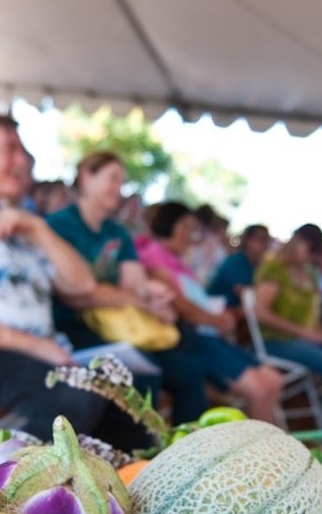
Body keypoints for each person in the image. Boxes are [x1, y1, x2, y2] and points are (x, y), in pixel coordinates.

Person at [0, 114, 138, 445]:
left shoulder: (19, 220)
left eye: (23, 152)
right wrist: (32, 344)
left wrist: (39, 229)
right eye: (10, 149)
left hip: (39, 351)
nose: (22, 160)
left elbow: (81, 284)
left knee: (127, 404)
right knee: (72, 401)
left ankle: (111, 491)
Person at [46, 152, 209, 426]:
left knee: (189, 373)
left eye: (121, 181)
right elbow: (75, 294)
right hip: (71, 327)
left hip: (119, 326)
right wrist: (139, 300)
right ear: (86, 177)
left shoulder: (118, 232)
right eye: (112, 179)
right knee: (141, 375)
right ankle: (131, 460)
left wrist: (155, 296)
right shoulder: (59, 226)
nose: (118, 188)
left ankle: (186, 454)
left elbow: (135, 282)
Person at [135, 202, 283, 423]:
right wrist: (217, 320)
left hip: (207, 335)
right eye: (186, 227)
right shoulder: (155, 257)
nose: (191, 235)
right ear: (171, 226)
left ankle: (271, 448)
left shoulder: (176, 260)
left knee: (274, 380)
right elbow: (181, 307)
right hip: (192, 339)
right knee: (260, 388)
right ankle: (264, 452)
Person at [253, 225, 322, 381]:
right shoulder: (275, 269)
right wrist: (304, 332)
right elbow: (262, 313)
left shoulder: (310, 274)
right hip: (275, 340)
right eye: (310, 249)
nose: (312, 256)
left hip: (301, 339)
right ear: (297, 243)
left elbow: (312, 316)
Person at [207, 223, 272, 308]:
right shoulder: (236, 261)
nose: (265, 246)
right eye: (261, 240)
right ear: (247, 241)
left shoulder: (255, 266)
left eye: (267, 241)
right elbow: (241, 291)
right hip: (214, 311)